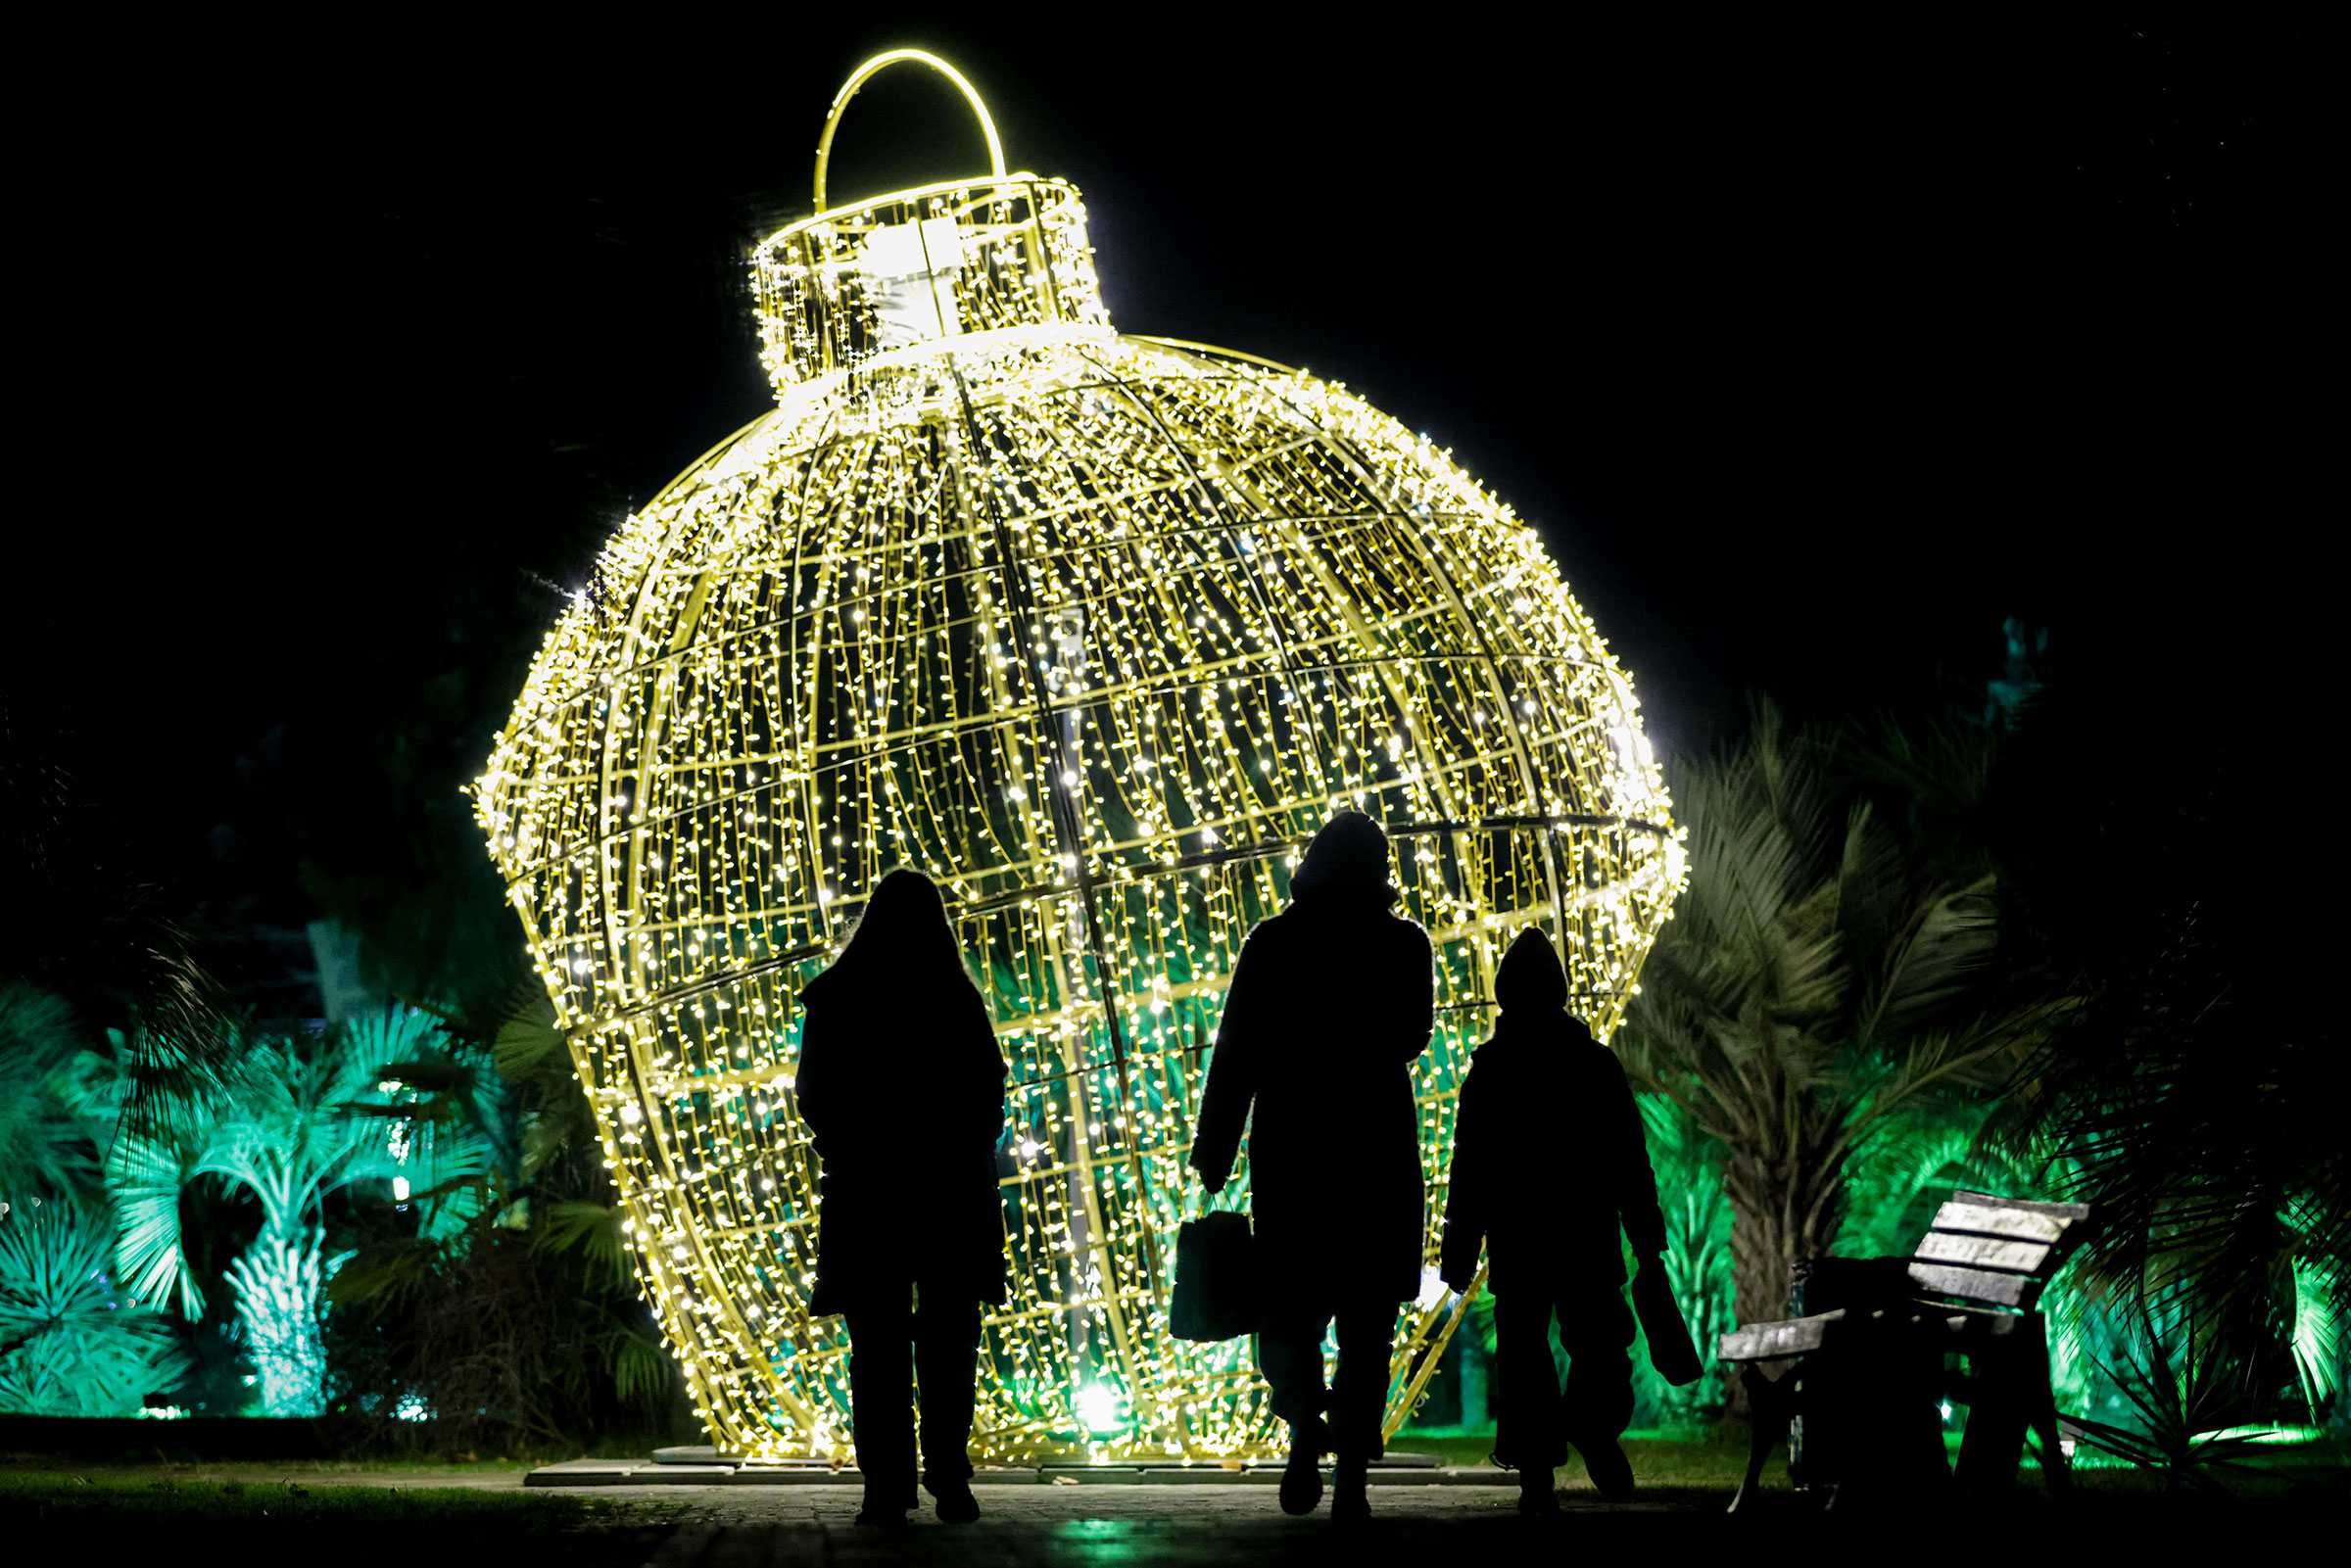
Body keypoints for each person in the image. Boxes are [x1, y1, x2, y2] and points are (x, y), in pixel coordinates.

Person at [1190, 811, 1434, 1522]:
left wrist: (1216, 1149)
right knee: (1367, 1326)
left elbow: (1236, 1050)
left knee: (1289, 1315)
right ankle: (1351, 1470)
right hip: (1376, 1159)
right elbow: (1413, 1034)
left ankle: (1303, 1428)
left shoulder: (1273, 942)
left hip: (1293, 1160)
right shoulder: (1403, 945)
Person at [795, 869, 1009, 1527]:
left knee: (878, 1345)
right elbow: (989, 1089)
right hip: (948, 1191)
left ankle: (885, 1485)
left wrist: (844, 1140)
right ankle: (949, 1474)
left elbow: (813, 1093)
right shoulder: (955, 997)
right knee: (948, 1335)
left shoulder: (836, 997)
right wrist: (966, 1139)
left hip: (868, 1192)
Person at [1440, 927, 1668, 1511]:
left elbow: (1470, 1170)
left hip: (1519, 1236)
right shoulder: (1595, 1066)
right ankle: (1591, 1430)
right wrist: (1645, 1238)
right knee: (1599, 1344)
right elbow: (1629, 1161)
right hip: (1586, 1232)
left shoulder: (1490, 1074)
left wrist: (1460, 1247)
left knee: (1524, 1354)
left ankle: (1537, 1471)